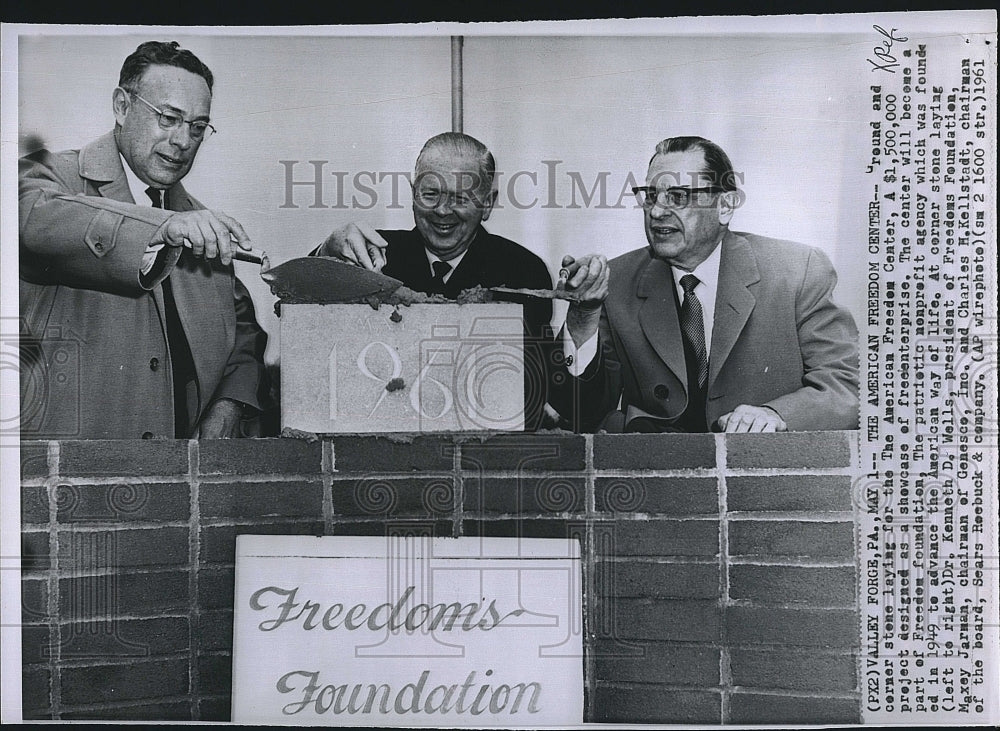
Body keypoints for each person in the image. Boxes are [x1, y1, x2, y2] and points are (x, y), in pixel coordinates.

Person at [19, 41, 269, 439]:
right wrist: (161, 227)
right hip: (66, 480)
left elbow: (242, 333)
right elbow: (31, 219)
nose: (183, 141)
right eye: (169, 118)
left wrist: (229, 405)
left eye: (198, 127)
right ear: (121, 106)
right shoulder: (45, 174)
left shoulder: (197, 220)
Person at [552, 136, 859, 433]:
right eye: (651, 196)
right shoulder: (616, 281)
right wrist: (583, 318)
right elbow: (579, 411)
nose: (657, 212)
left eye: (678, 197)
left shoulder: (796, 270)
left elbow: (847, 386)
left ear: (724, 206)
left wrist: (775, 415)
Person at [313, 132, 555, 428]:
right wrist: (327, 252)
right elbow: (300, 306)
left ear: (488, 204)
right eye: (431, 194)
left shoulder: (522, 271)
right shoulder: (372, 256)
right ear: (413, 193)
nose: (442, 210)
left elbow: (533, 391)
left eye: (460, 198)